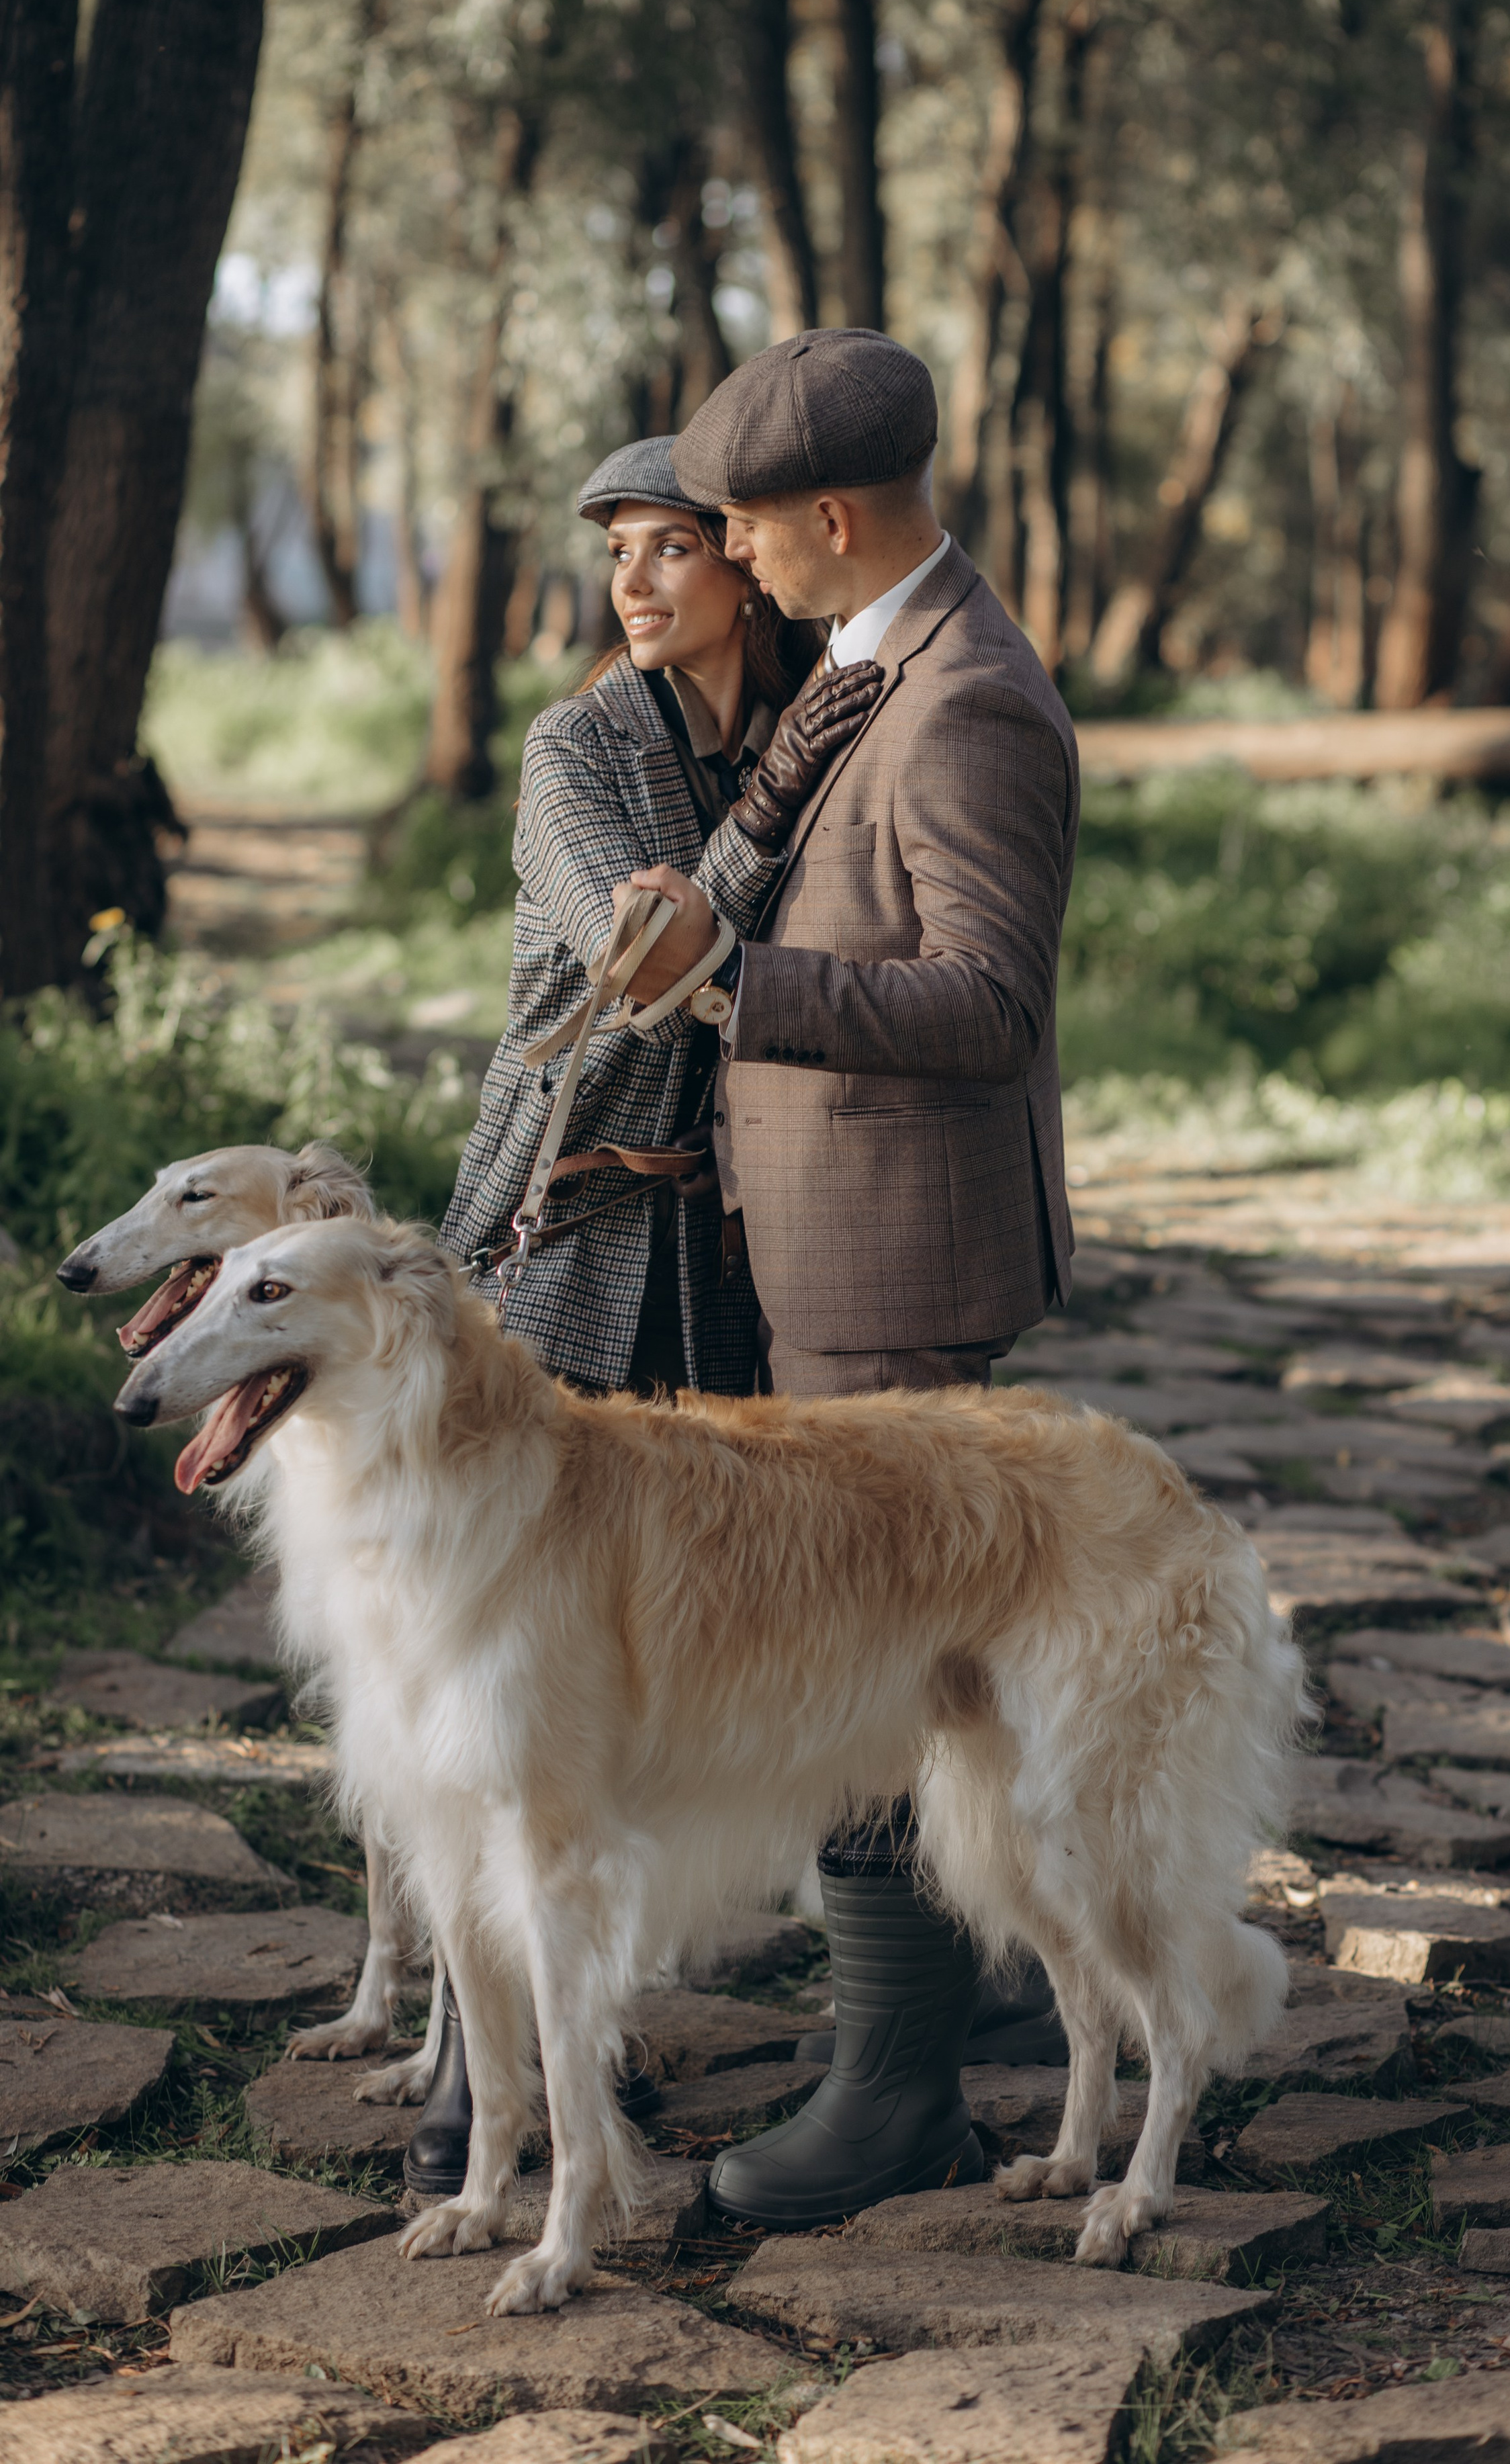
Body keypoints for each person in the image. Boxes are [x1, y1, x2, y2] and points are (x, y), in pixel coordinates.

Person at [616, 327, 1080, 2228]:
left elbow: (988, 1005)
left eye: (739, 521)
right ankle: (976, 1994)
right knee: (906, 1657)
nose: (726, 548)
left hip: (898, 1267)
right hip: (829, 1244)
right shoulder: (870, 661)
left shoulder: (967, 700)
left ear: (828, 516)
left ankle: (894, 2095)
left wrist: (734, 984)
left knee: (879, 1671)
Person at [408, 436, 883, 2197]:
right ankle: (465, 2074)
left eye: (675, 544)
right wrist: (771, 809)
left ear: (748, 560)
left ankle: (661, 2008)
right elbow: (642, 948)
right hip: (573, 1224)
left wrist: (790, 780)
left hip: (739, 1237)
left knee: (687, 1643)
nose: (635, 577)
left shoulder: (814, 722)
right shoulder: (576, 749)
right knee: (505, 1670)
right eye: (619, 547)